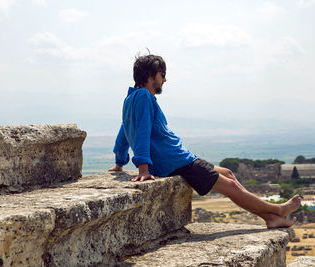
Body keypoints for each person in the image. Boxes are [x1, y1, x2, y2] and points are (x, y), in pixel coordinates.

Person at [109, 54, 301, 228]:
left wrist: (119, 161)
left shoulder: (131, 98)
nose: (165, 79)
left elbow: (124, 130)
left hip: (180, 159)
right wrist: (143, 169)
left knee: (228, 173)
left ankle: (270, 218)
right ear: (151, 75)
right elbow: (140, 131)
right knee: (231, 187)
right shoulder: (143, 96)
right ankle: (277, 210)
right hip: (174, 162)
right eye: (162, 74)